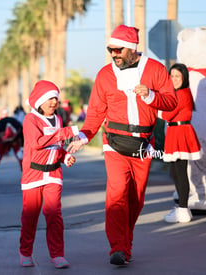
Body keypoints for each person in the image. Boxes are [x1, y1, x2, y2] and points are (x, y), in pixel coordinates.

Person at [67, 24, 177, 265]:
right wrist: (84, 136)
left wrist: (150, 95)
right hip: (114, 143)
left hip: (144, 145)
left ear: (131, 49)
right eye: (110, 50)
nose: (113, 54)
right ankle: (118, 247)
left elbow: (171, 102)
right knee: (117, 193)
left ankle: (125, 241)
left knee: (135, 199)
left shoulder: (155, 70)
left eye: (118, 50)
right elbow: (95, 113)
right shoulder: (105, 75)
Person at [19, 80, 79, 269]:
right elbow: (37, 143)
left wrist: (65, 156)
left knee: (54, 214)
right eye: (49, 98)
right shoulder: (30, 120)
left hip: (53, 174)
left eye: (55, 98)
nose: (54, 102)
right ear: (39, 101)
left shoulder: (58, 120)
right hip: (33, 175)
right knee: (31, 215)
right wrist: (64, 133)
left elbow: (55, 147)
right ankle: (25, 252)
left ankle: (57, 254)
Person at [161, 63, 202, 223]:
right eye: (171, 76)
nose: (174, 79)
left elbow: (167, 114)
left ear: (184, 78)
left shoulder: (182, 93)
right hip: (175, 133)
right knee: (175, 172)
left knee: (180, 172)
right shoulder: (177, 93)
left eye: (177, 76)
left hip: (180, 133)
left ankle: (183, 209)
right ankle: (182, 208)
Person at [0, 116, 23, 180]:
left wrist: (22, 148)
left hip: (14, 140)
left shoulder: (19, 129)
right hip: (4, 140)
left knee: (20, 154)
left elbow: (23, 139)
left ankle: (24, 171)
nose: (8, 140)